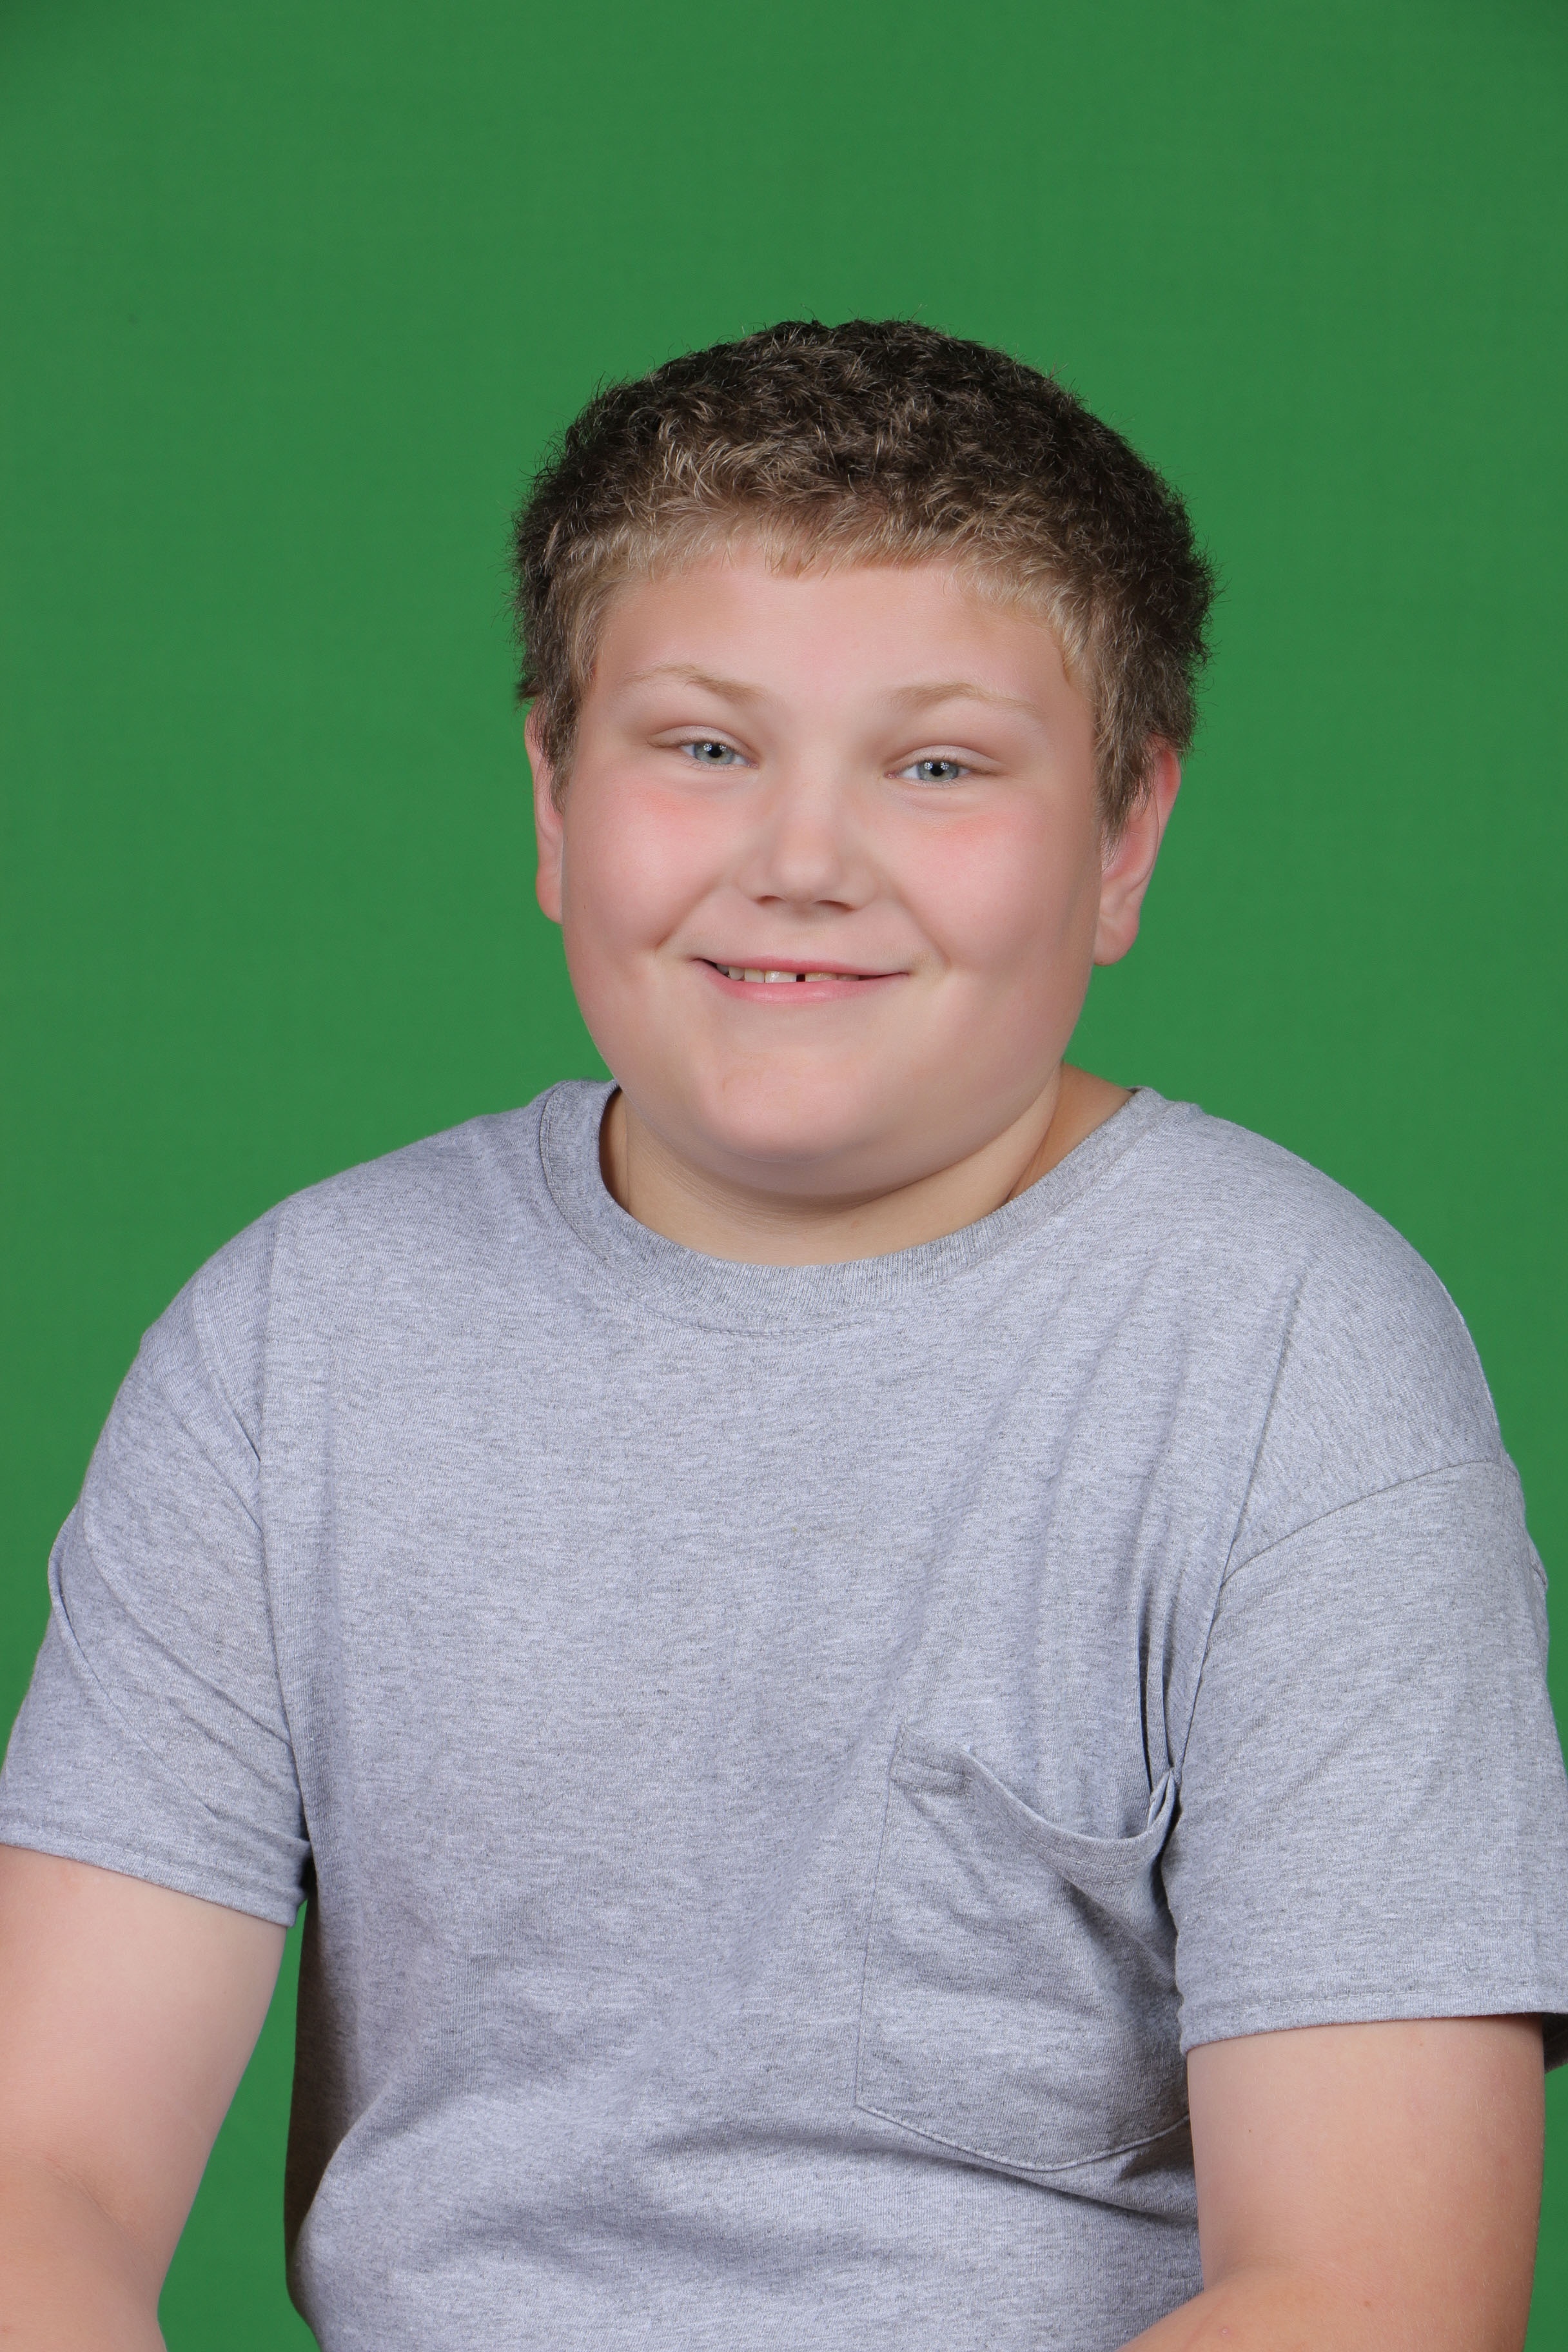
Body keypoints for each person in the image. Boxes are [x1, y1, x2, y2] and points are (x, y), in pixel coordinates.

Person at [1, 318, 1565, 2352]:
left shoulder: (1291, 1361)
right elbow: (44, 2171)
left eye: (939, 767)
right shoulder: (294, 1345)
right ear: (553, 796)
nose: (803, 863)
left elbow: (1375, 2289)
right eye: (704, 747)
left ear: (1125, 840)